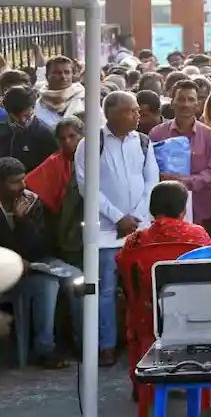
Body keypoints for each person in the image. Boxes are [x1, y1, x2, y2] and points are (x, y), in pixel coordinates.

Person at [75, 91, 158, 367]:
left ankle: (145, 340)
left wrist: (135, 217)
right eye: (131, 111)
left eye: (137, 110)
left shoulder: (144, 142)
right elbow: (88, 187)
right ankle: (107, 345)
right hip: (106, 232)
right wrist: (117, 216)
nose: (138, 115)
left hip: (140, 229)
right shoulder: (91, 144)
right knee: (106, 290)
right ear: (110, 114)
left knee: (144, 288)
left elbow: (151, 183)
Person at [0, 157, 71, 368]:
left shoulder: (32, 201)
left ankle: (62, 346)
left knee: (63, 281)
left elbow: (39, 246)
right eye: (15, 182)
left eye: (23, 180)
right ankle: (37, 351)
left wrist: (23, 222)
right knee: (45, 285)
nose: (22, 186)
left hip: (31, 265)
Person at [149, 80, 211, 232]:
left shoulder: (209, 135)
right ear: (172, 102)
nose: (186, 104)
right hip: (165, 212)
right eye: (181, 99)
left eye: (191, 99)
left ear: (198, 104)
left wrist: (184, 182)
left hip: (201, 209)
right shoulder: (157, 134)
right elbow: (148, 169)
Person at [118, 181, 211, 253]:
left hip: (148, 279)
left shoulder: (135, 241)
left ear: (151, 208)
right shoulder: (198, 235)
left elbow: (123, 265)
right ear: (182, 211)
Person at [25, 117, 84, 216]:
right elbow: (29, 183)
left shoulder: (95, 157)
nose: (67, 142)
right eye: (62, 138)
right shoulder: (54, 161)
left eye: (72, 136)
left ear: (82, 135)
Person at [0, 85, 58, 172]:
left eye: (27, 115)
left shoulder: (46, 134)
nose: (22, 120)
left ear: (33, 107)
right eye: (16, 116)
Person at [33, 56, 85, 130]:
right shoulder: (36, 106)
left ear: (72, 75)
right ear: (47, 76)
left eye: (67, 72)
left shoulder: (86, 99)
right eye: (57, 73)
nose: (63, 77)